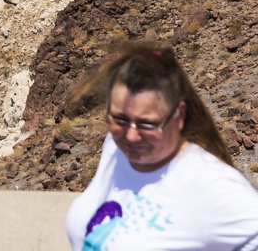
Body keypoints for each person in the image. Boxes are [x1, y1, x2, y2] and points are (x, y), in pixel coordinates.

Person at [65, 41, 258, 250]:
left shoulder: (213, 184)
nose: (131, 136)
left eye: (147, 124)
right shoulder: (115, 147)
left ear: (179, 115)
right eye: (119, 120)